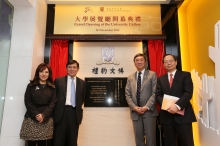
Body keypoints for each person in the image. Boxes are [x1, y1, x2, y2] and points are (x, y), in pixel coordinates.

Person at [156, 54, 197, 146]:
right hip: (167, 116)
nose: (168, 63)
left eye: (170, 61)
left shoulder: (185, 75)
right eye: (165, 62)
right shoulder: (160, 79)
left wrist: (177, 106)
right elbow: (157, 95)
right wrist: (168, 106)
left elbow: (188, 93)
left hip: (183, 116)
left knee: (187, 142)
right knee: (169, 143)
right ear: (163, 64)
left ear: (176, 62)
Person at [125, 53, 158, 146]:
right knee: (138, 138)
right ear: (134, 63)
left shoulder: (152, 75)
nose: (139, 62)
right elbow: (127, 95)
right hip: (135, 112)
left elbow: (155, 93)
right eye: (137, 60)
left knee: (150, 139)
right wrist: (134, 107)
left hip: (149, 112)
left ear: (145, 62)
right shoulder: (130, 78)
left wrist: (146, 107)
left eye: (141, 60)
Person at [20, 63, 56, 146]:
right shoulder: (31, 86)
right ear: (37, 73)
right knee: (30, 143)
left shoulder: (52, 87)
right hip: (32, 117)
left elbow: (53, 103)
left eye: (46, 72)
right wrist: (36, 114)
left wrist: (44, 115)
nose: (44, 74)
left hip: (46, 118)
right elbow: (27, 101)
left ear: (49, 74)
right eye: (41, 71)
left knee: (44, 143)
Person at [53, 60, 86, 146]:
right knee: (58, 140)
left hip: (74, 114)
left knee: (72, 141)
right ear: (66, 68)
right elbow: (53, 97)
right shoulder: (58, 81)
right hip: (61, 113)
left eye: (74, 67)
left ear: (78, 69)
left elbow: (82, 98)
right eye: (70, 67)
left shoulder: (82, 83)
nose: (72, 69)